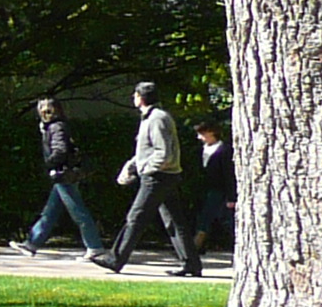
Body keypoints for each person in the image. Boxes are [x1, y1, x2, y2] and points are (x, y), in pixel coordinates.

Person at [93, 80, 201, 277]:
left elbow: (163, 153)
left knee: (136, 217)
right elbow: (147, 151)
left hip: (158, 177)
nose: (133, 98)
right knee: (175, 222)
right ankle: (191, 264)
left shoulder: (157, 119)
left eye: (135, 95)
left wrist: (146, 169)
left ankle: (114, 259)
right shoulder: (152, 117)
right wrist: (132, 166)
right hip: (165, 176)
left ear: (140, 98)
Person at [12, 98, 103, 257]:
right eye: (43, 110)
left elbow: (60, 150)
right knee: (50, 212)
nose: (44, 113)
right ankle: (31, 244)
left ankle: (94, 246)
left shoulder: (56, 127)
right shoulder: (54, 126)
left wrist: (49, 164)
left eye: (47, 110)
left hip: (63, 175)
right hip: (62, 175)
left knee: (78, 212)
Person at [193, 117, 237, 258]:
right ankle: (198, 246)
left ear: (212, 133)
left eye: (203, 134)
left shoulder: (224, 150)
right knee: (203, 217)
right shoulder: (202, 150)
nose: (200, 138)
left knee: (211, 219)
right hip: (204, 190)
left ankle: (195, 247)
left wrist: (231, 196)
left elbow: (228, 174)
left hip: (219, 190)